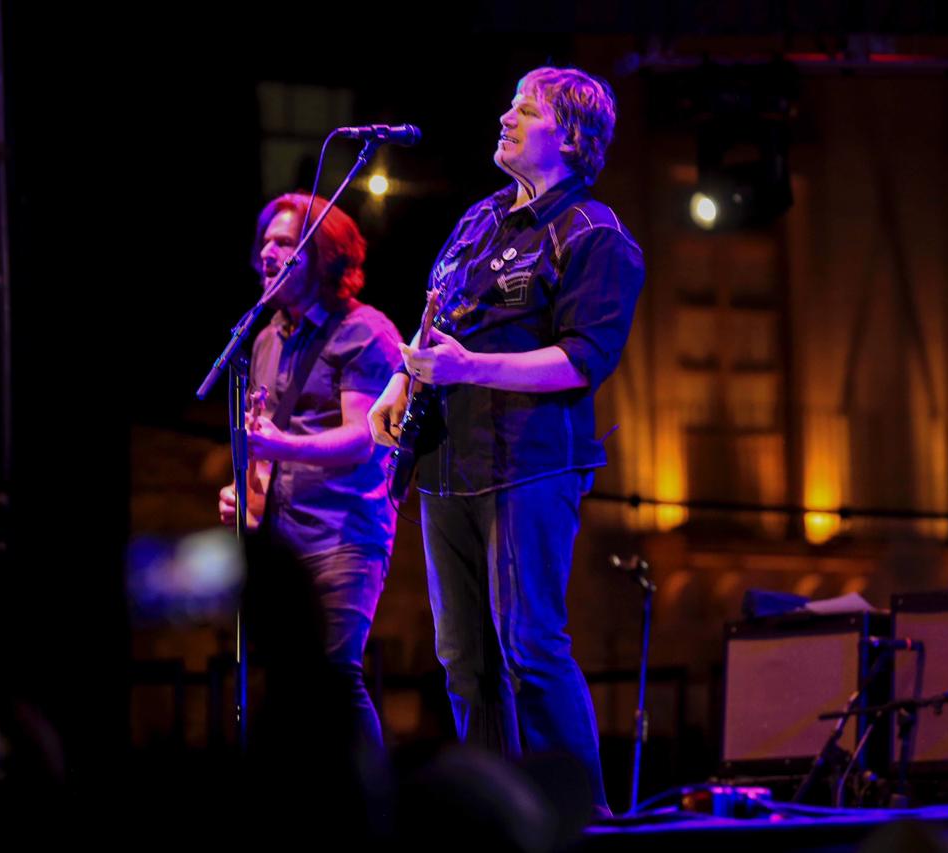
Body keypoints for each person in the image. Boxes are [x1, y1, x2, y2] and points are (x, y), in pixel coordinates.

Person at [367, 66, 645, 813]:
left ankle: (582, 819)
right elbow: (439, 317)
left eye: (528, 107)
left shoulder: (595, 235)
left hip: (528, 467)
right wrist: (403, 379)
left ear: (574, 136)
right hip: (447, 466)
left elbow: (581, 359)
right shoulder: (479, 220)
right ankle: (494, 816)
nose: (506, 115)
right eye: (511, 102)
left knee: (531, 646)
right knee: (463, 660)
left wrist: (468, 365)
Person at [219, 193, 402, 748]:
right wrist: (242, 491)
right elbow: (267, 440)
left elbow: (366, 438)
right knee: (296, 684)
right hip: (284, 539)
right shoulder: (269, 337)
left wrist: (280, 444)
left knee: (337, 674)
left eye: (284, 242)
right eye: (265, 242)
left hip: (343, 534)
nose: (268, 253)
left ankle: (380, 809)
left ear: (323, 254)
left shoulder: (365, 332)